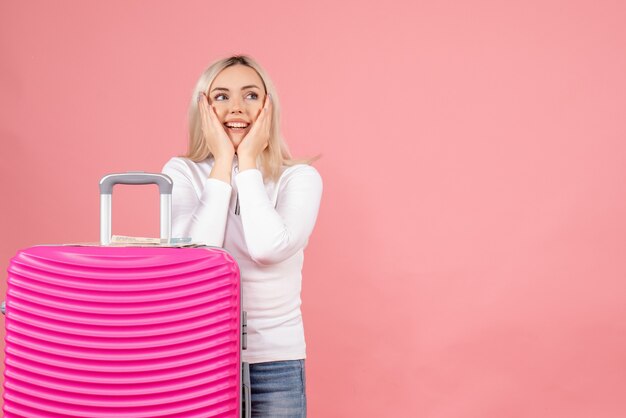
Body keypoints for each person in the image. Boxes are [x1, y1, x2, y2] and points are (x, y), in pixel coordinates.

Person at [162, 55, 322, 417]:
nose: (237, 107)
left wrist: (247, 162)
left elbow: (268, 248)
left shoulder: (299, 178)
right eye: (221, 97)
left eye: (251, 96)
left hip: (275, 363)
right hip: (199, 360)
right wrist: (222, 163)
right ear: (203, 108)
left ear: (268, 107)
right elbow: (196, 260)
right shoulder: (182, 172)